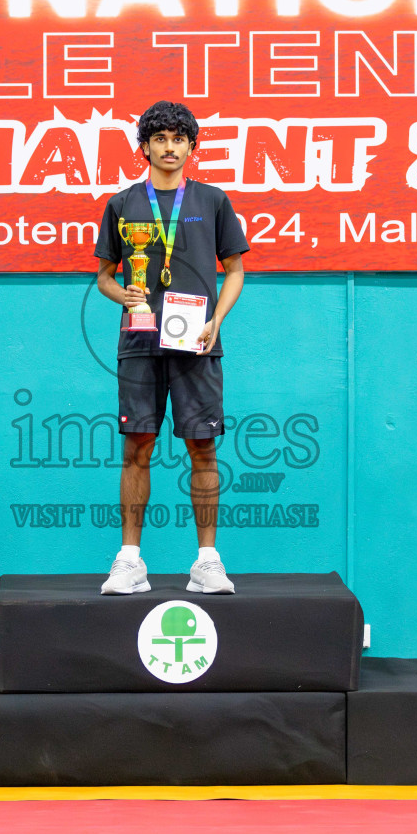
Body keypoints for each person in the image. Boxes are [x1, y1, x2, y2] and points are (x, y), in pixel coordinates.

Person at [93, 100, 249, 596]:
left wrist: (216, 320)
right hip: (138, 341)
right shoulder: (122, 204)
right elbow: (103, 277)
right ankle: (129, 561)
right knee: (136, 446)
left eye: (178, 138)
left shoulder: (213, 200)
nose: (168, 147)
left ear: (191, 147)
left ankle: (207, 561)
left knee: (202, 447)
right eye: (159, 138)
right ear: (144, 148)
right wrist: (124, 293)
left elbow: (236, 270)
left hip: (197, 342)